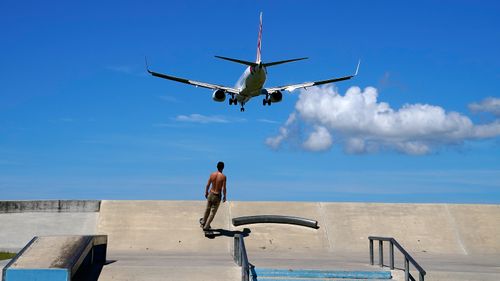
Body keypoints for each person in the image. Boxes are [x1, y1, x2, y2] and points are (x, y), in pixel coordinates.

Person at [200, 161, 227, 231]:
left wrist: (206, 192)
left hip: (211, 193)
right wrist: (225, 196)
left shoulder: (212, 174)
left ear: (217, 167)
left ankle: (203, 222)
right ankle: (206, 226)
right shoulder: (223, 177)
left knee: (207, 209)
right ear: (223, 168)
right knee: (212, 212)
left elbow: (208, 184)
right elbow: (224, 188)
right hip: (217, 196)